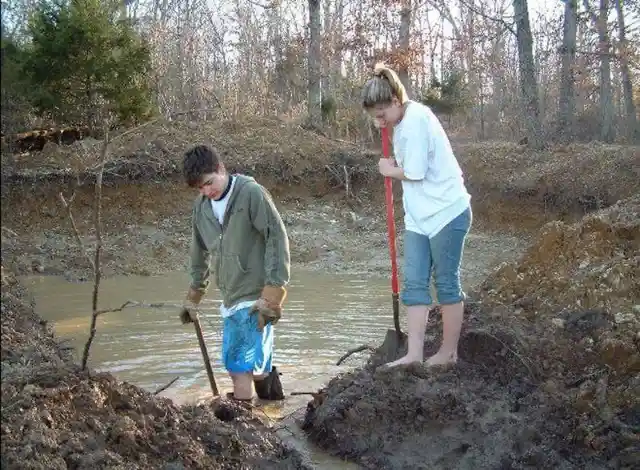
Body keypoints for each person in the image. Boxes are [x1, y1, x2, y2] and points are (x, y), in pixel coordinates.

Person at [361, 63, 472, 368]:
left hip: (447, 211)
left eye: (382, 115)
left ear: (396, 101)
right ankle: (413, 354)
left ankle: (449, 353)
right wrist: (397, 160)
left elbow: (417, 172)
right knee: (414, 283)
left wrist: (389, 169)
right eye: (374, 118)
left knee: (446, 281)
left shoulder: (417, 119)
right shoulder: (400, 123)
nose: (379, 122)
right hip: (419, 216)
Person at [181, 144, 290, 401]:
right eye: (200, 188)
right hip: (230, 297)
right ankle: (273, 409)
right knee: (256, 369)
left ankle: (243, 427)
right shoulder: (202, 207)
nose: (207, 191)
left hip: (256, 296)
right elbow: (199, 253)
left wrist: (272, 296)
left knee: (238, 368)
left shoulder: (251, 194)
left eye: (209, 183)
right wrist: (194, 296)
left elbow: (277, 238)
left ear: (221, 169)